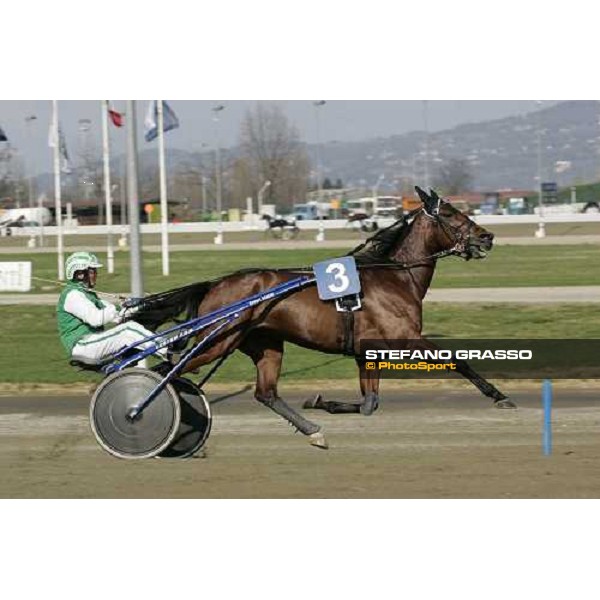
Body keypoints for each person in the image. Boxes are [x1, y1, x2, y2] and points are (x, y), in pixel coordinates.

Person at [57, 251, 167, 366]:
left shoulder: (88, 295)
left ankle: (163, 351)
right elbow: (96, 319)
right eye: (92, 271)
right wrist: (115, 307)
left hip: (92, 343)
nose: (96, 274)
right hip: (83, 346)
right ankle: (166, 349)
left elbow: (117, 317)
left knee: (132, 326)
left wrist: (139, 306)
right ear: (80, 274)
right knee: (128, 330)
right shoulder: (73, 295)